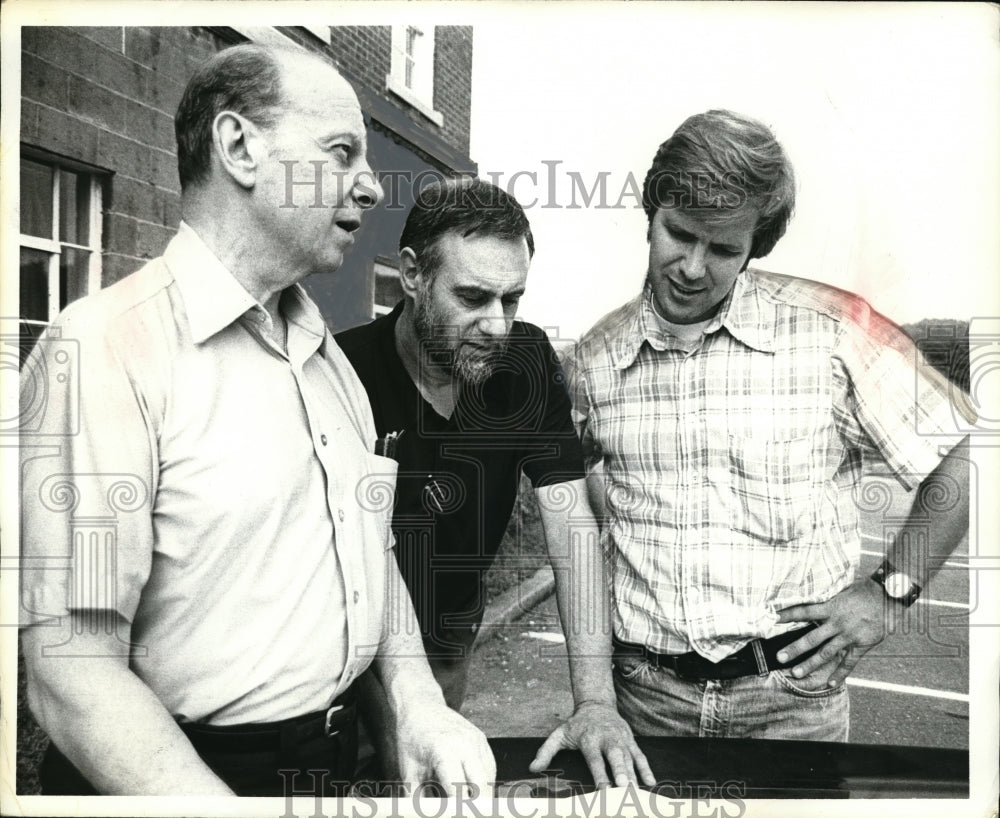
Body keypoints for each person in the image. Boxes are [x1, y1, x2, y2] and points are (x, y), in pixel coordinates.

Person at [18, 43, 493, 797]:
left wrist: (419, 704)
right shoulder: (104, 351)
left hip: (334, 767)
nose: (370, 186)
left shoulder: (330, 362)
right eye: (342, 153)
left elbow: (374, 561)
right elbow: (71, 675)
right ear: (239, 147)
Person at [566, 109, 972, 741]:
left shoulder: (833, 331)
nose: (693, 268)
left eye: (724, 248)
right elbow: (579, 514)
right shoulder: (595, 359)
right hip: (643, 704)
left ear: (756, 246)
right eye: (679, 234)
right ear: (652, 212)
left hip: (793, 704)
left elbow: (964, 458)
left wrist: (889, 594)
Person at [335, 177, 654, 788]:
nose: (498, 325)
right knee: (366, 775)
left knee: (430, 781)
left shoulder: (527, 363)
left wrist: (594, 702)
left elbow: (571, 524)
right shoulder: (345, 370)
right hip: (352, 630)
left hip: (451, 624)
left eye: (512, 299)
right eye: (474, 298)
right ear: (411, 274)